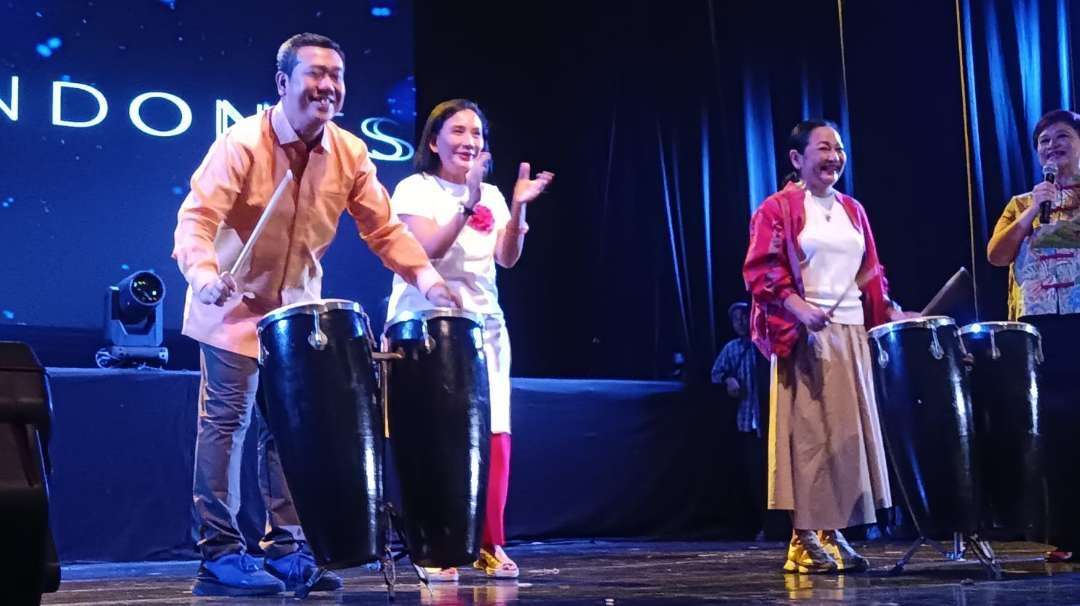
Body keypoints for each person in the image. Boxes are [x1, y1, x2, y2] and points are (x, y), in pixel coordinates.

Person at [172, 32, 458, 596]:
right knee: (227, 426)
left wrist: (425, 276)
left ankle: (286, 548)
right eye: (315, 73)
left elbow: (383, 227)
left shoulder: (350, 151)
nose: (327, 86)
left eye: (336, 75)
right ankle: (220, 553)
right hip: (229, 309)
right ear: (283, 83)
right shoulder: (242, 144)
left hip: (296, 320)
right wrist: (203, 277)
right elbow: (196, 220)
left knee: (289, 435)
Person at [385, 99, 553, 581]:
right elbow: (424, 252)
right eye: (458, 131)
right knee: (435, 436)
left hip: (485, 327)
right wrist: (467, 203)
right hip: (425, 326)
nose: (469, 141)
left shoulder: (495, 195)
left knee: (495, 432)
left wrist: (517, 209)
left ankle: (489, 542)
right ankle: (434, 546)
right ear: (434, 141)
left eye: (477, 133)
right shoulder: (414, 188)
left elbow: (507, 258)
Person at [743, 119, 912, 574]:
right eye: (823, 148)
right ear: (797, 159)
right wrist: (799, 307)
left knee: (845, 442)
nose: (834, 156)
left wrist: (891, 314)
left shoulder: (853, 209)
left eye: (838, 148)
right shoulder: (778, 208)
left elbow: (870, 273)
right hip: (808, 336)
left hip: (851, 333)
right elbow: (762, 270)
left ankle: (829, 530)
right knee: (812, 440)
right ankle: (802, 537)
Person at [986, 109, 1080, 563]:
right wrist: (1028, 216)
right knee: (1056, 431)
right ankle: (1064, 532)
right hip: (1040, 331)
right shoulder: (1022, 202)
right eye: (1043, 140)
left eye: (1062, 137)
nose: (1052, 145)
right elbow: (997, 254)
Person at [710, 301, 770, 539]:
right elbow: (715, 372)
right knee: (755, 477)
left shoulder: (765, 343)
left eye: (745, 317)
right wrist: (728, 380)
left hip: (769, 420)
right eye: (736, 320)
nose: (741, 323)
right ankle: (763, 524)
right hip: (747, 422)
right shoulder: (732, 348)